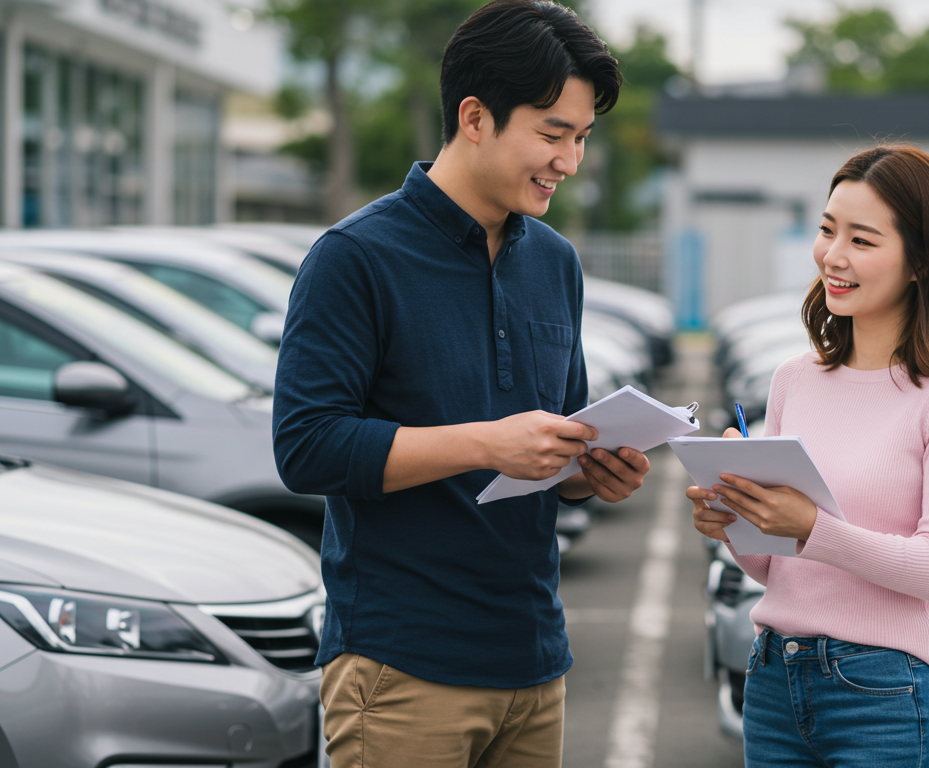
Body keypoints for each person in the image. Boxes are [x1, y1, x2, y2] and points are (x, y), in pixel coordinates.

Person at [272, 3, 648, 766]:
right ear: (475, 118)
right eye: (551, 134)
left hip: (536, 661)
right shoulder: (354, 257)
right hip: (403, 668)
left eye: (581, 138)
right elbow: (307, 448)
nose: (569, 162)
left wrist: (591, 472)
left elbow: (558, 450)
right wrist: (488, 444)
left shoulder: (556, 262)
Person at [688, 144, 929, 767]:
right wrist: (735, 521)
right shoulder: (794, 378)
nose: (833, 256)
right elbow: (780, 568)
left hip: (882, 694)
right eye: (828, 230)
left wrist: (811, 527)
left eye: (862, 239)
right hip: (775, 677)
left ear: (920, 261)